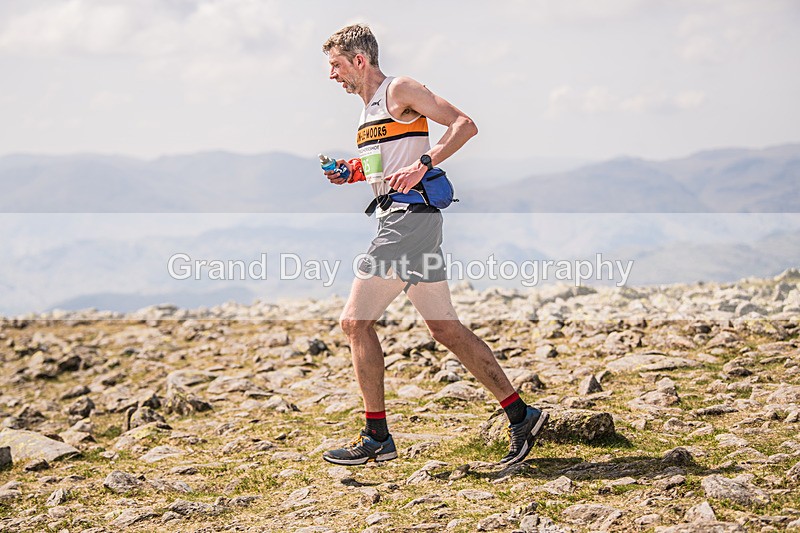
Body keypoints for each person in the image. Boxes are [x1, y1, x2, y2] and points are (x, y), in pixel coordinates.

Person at [320, 23, 547, 466]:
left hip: (407, 222)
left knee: (354, 323)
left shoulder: (399, 89)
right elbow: (384, 166)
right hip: (407, 221)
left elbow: (465, 124)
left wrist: (427, 163)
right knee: (444, 329)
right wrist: (350, 171)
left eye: (336, 66)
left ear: (359, 61)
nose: (332, 76)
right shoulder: (368, 111)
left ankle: (376, 436)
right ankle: (521, 415)